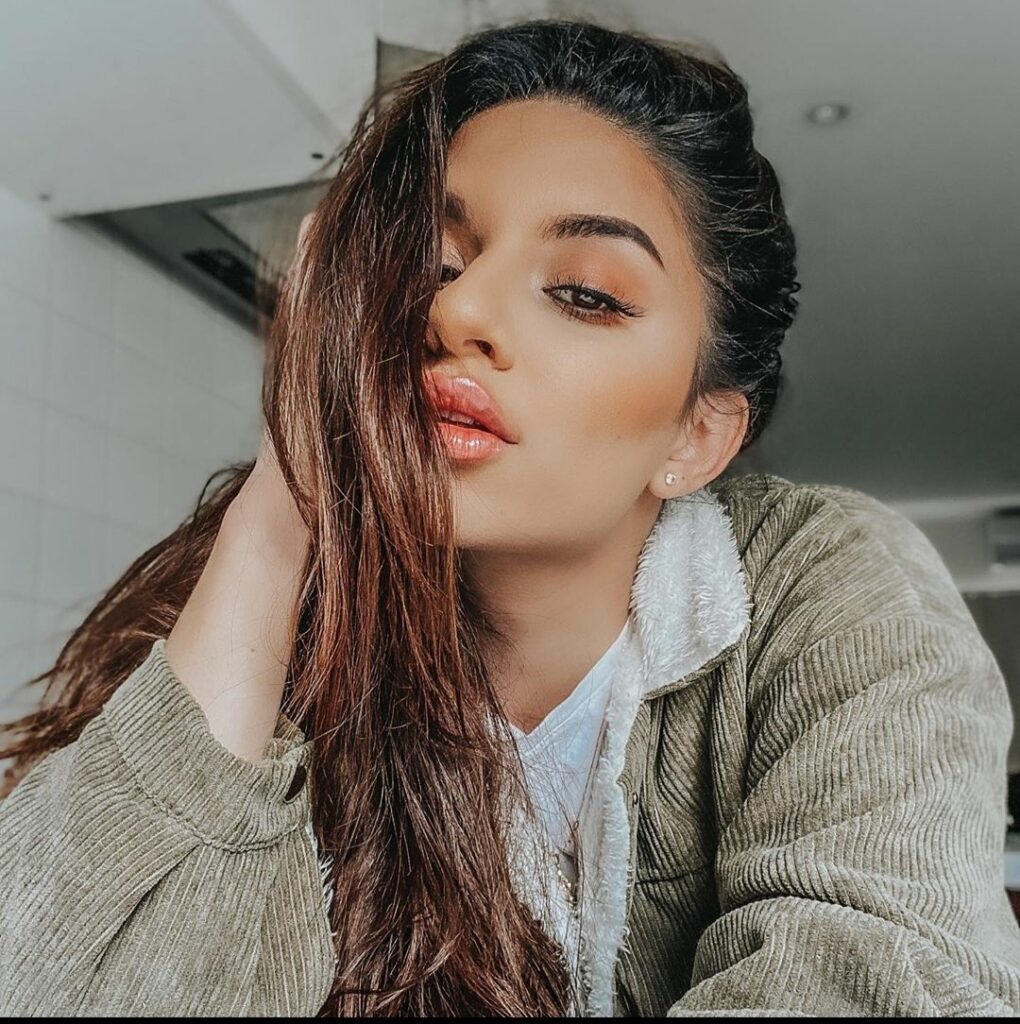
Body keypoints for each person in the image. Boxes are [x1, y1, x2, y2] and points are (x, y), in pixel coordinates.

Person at [2, 15, 1019, 1018]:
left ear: (697, 436)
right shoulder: (301, 627)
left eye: (584, 293)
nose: (456, 312)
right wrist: (280, 514)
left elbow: (879, 977)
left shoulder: (828, 585)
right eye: (434, 266)